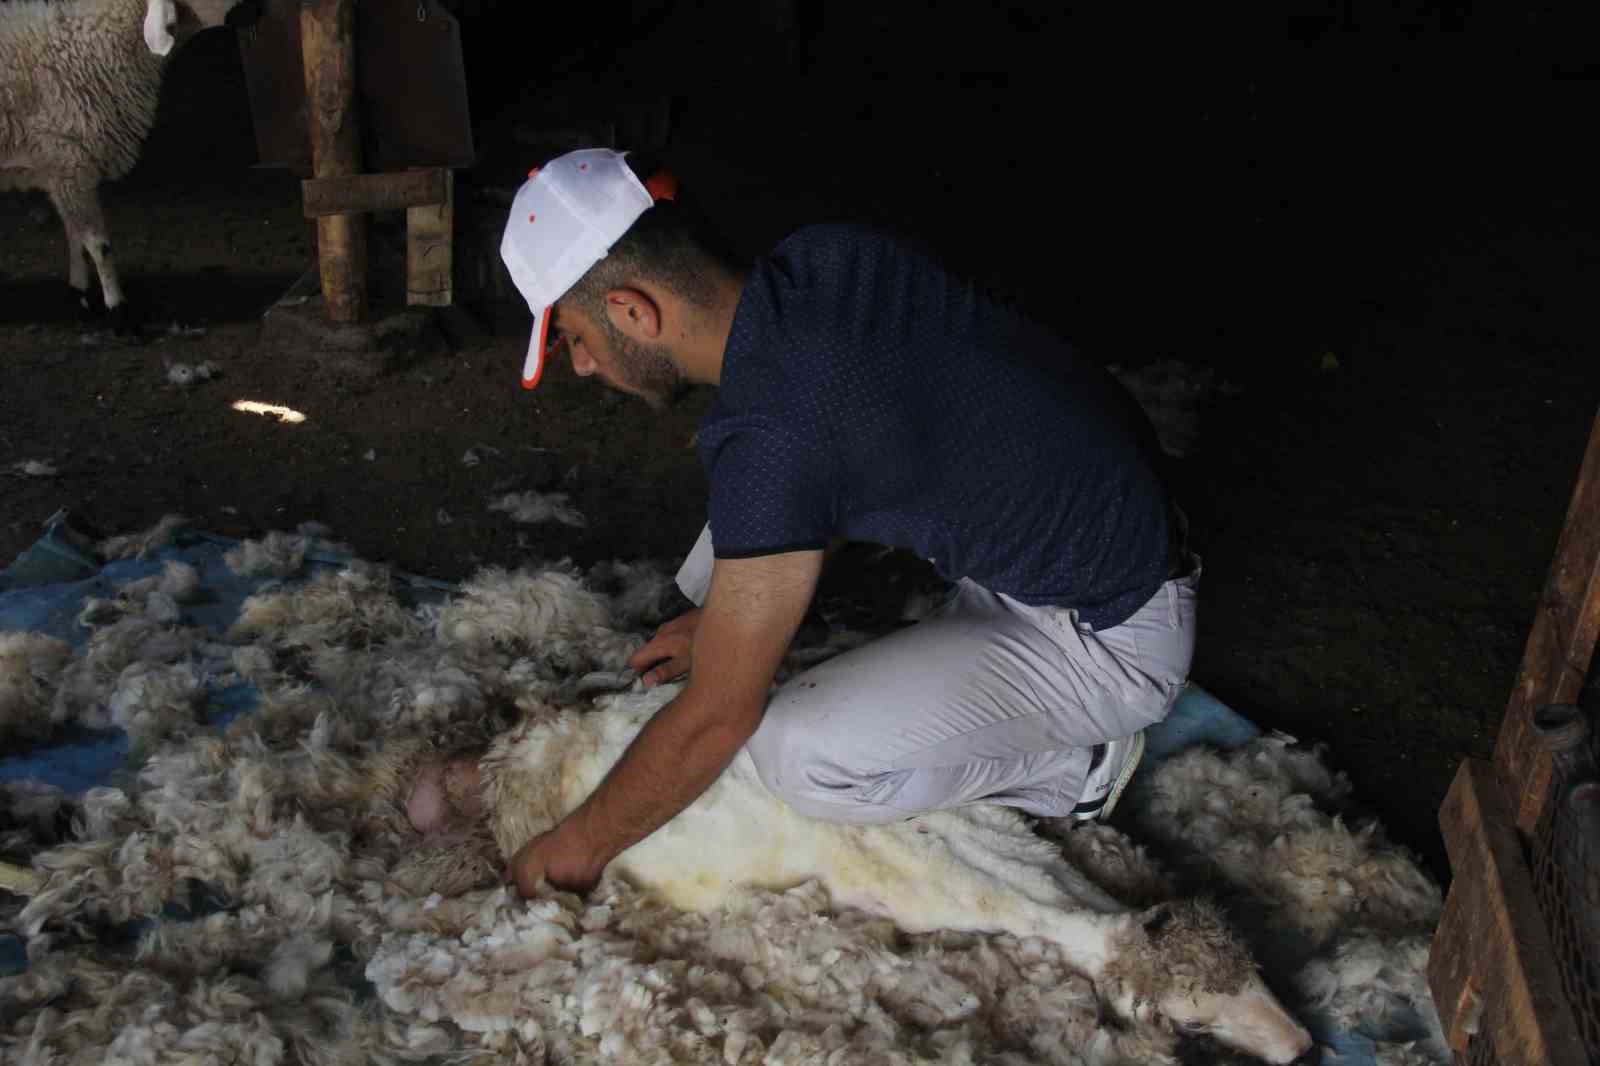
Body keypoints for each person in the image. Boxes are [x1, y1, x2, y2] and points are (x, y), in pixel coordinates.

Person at [415, 147, 1199, 899]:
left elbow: (714, 720)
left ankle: (1080, 769)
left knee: (795, 756)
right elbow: (833, 449)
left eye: (577, 340)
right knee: (753, 499)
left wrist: (573, 849)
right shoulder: (826, 258)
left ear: (631, 310)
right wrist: (717, 614)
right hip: (1110, 524)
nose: (584, 367)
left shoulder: (774, 442)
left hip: (1109, 635)